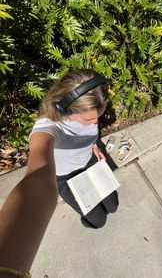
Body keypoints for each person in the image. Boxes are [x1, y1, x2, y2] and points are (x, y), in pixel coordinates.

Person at [0, 69, 118, 276]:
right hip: (65, 178)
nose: (95, 122)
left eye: (97, 118)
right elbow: (37, 175)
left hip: (89, 162)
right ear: (64, 109)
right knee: (99, 220)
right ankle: (85, 213)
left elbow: (89, 134)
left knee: (113, 206)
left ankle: (91, 203)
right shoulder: (48, 128)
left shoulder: (90, 115)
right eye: (88, 119)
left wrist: (94, 146)